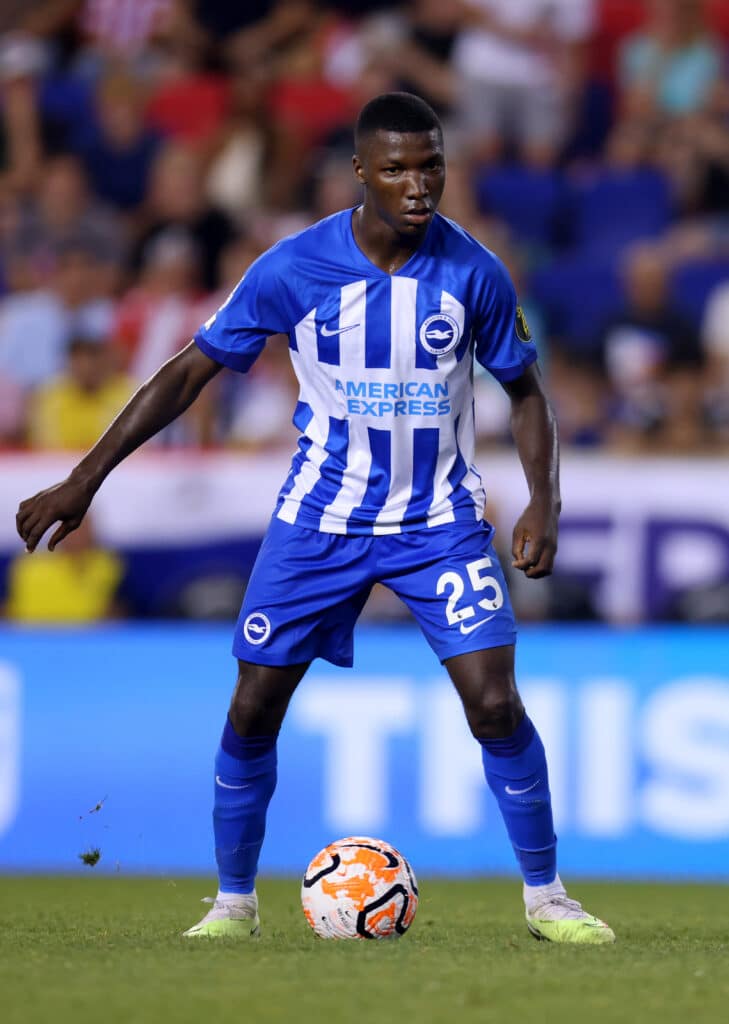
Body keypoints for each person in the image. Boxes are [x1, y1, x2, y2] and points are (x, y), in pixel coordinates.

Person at [16, 92, 615, 945]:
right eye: (398, 169)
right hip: (319, 521)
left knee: (492, 703)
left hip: (438, 521)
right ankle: (232, 904)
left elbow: (525, 391)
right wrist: (85, 481)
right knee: (254, 705)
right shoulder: (293, 267)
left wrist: (544, 502)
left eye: (431, 167)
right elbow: (188, 372)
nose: (418, 185)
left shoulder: (474, 271)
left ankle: (547, 897)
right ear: (360, 172)